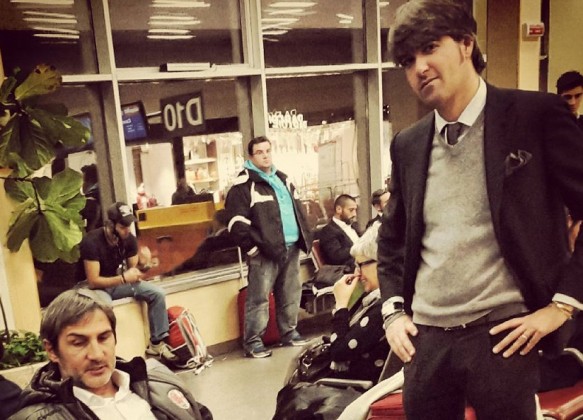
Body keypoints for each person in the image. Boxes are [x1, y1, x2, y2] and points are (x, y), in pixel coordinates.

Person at [377, 1, 583, 419]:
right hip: (426, 340)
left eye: (429, 48)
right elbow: (392, 239)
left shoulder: (536, 116)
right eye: (407, 60)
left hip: (503, 333)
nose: (419, 68)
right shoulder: (408, 144)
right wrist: (392, 313)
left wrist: (562, 306)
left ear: (466, 44)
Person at [9, 289, 211, 419]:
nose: (97, 354)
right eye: (78, 343)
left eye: (103, 337)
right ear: (52, 350)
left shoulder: (159, 381)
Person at [225, 136, 312, 358]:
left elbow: (298, 210)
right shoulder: (243, 185)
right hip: (264, 252)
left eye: (268, 151)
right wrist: (253, 249)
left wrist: (304, 238)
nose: (265, 155)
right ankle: (253, 342)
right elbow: (235, 223)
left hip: (290, 247)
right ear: (250, 157)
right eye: (259, 152)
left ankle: (289, 333)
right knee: (259, 298)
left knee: (290, 293)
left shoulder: (283, 179)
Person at [79, 201, 177, 363]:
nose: (127, 230)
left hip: (116, 283)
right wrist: (124, 278)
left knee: (157, 293)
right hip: (92, 288)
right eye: (123, 226)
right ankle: (106, 354)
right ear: (110, 225)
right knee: (105, 307)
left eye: (129, 226)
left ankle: (156, 344)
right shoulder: (92, 242)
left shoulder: (128, 239)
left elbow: (134, 271)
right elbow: (93, 281)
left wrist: (145, 264)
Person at [328, 221, 389, 382]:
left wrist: (341, 306)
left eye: (360, 265)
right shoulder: (387, 298)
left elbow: (339, 352)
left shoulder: (382, 308)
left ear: (382, 263)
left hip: (356, 387)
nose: (357, 273)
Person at [318, 194, 360, 271]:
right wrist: (359, 248)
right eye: (351, 210)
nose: (355, 214)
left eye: (355, 210)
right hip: (347, 270)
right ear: (338, 209)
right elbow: (336, 256)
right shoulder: (328, 231)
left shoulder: (354, 226)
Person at [80, 163, 103, 232]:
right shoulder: (101, 194)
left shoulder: (90, 201)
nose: (81, 185)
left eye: (83, 181)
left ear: (89, 181)